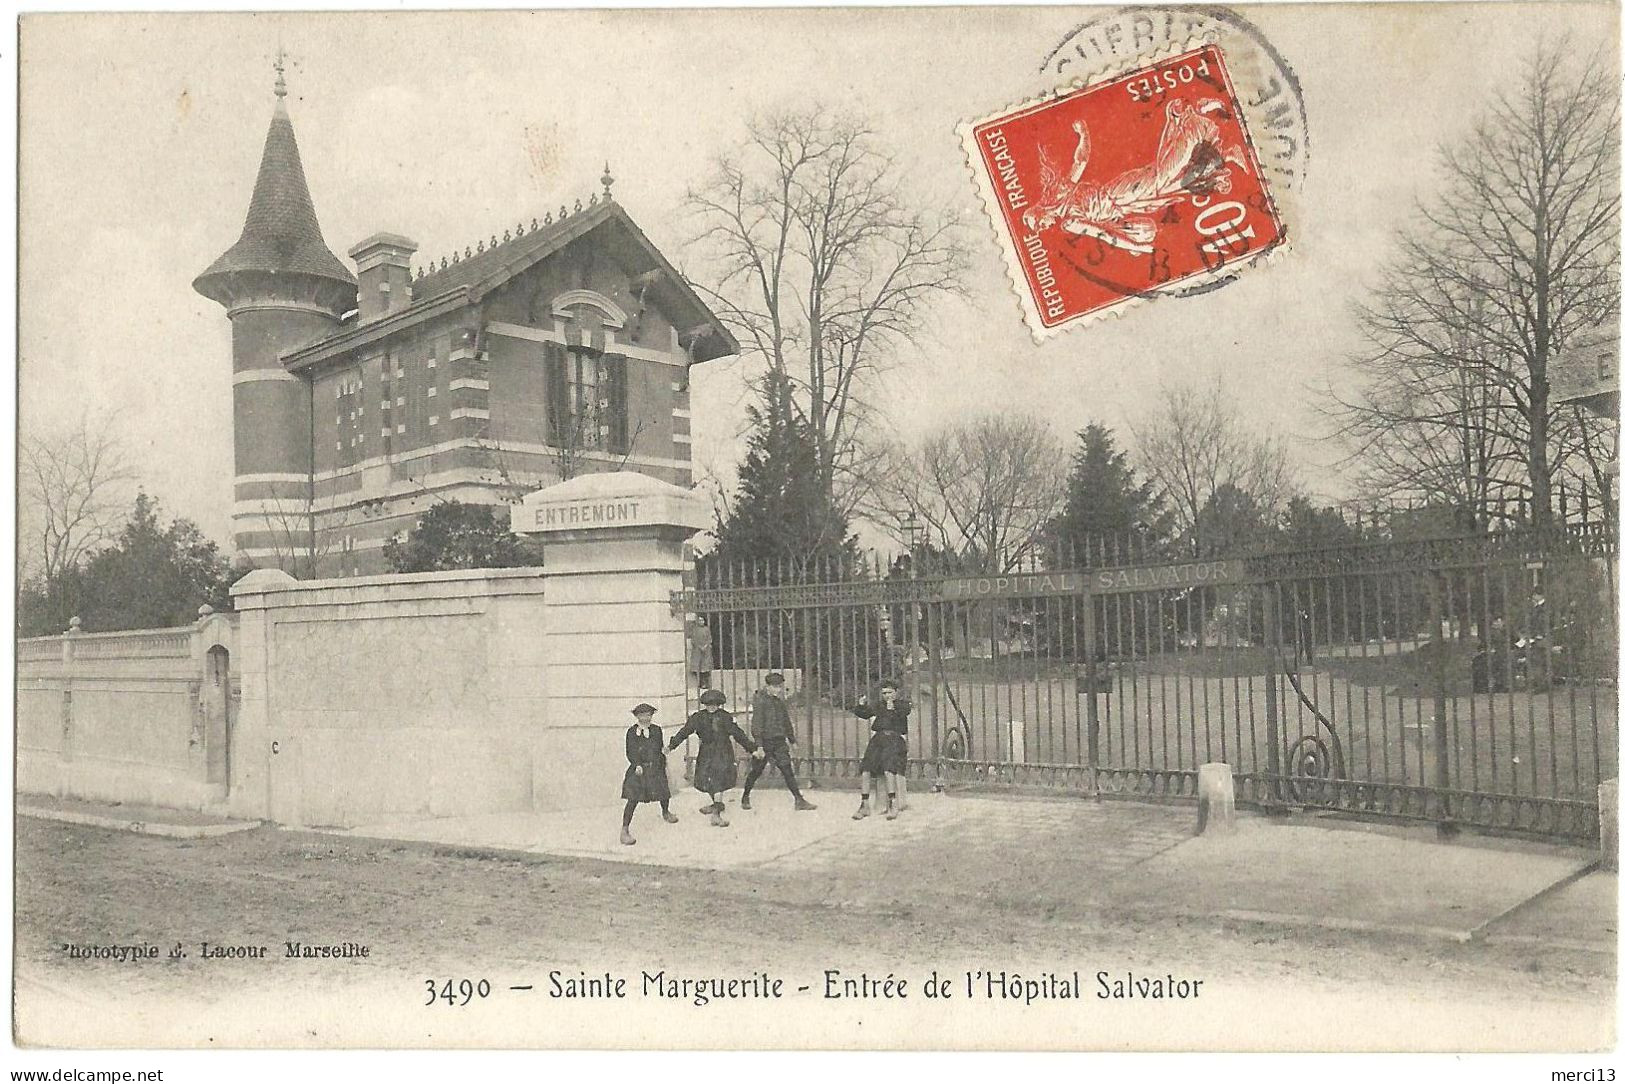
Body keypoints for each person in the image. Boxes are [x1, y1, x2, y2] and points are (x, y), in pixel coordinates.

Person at [667, 688, 760, 827]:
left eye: (715, 704)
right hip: (706, 752)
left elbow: (738, 734)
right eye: (709, 704)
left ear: (719, 704)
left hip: (723, 751)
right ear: (705, 704)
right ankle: (716, 804)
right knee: (707, 780)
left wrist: (752, 749)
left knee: (719, 780)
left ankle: (716, 814)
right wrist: (671, 746)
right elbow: (684, 732)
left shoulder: (725, 717)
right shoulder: (697, 717)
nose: (712, 707)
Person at [741, 672, 817, 812]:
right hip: (765, 742)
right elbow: (757, 725)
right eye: (775, 687)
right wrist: (759, 746)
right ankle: (745, 796)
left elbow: (786, 722)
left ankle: (799, 800)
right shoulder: (761, 702)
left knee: (787, 769)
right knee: (756, 771)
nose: (778, 690)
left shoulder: (779, 703)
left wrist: (792, 740)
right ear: (767, 687)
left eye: (779, 687)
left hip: (779, 742)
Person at [620, 703, 679, 846]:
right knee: (632, 798)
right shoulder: (631, 732)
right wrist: (637, 764)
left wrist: (662, 758)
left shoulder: (657, 730)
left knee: (663, 791)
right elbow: (630, 751)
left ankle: (666, 812)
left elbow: (659, 748)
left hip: (655, 768)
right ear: (637, 716)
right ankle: (625, 829)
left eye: (648, 715)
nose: (645, 718)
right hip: (639, 769)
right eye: (642, 715)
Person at [852, 679, 910, 821]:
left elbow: (901, 716)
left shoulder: (903, 705)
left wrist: (891, 709)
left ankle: (892, 803)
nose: (887, 696)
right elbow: (865, 714)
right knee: (866, 769)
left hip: (895, 739)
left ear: (896, 692)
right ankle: (864, 804)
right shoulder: (879, 705)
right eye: (884, 693)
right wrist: (861, 705)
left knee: (889, 768)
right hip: (878, 739)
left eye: (890, 692)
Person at [687, 615, 714, 690]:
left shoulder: (706, 629)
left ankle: (706, 683)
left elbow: (709, 639)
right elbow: (693, 640)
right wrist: (699, 646)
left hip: (706, 651)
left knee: (705, 667)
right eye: (700, 620)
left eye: (702, 620)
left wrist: (705, 646)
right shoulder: (695, 630)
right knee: (698, 666)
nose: (701, 622)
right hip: (697, 651)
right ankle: (700, 683)